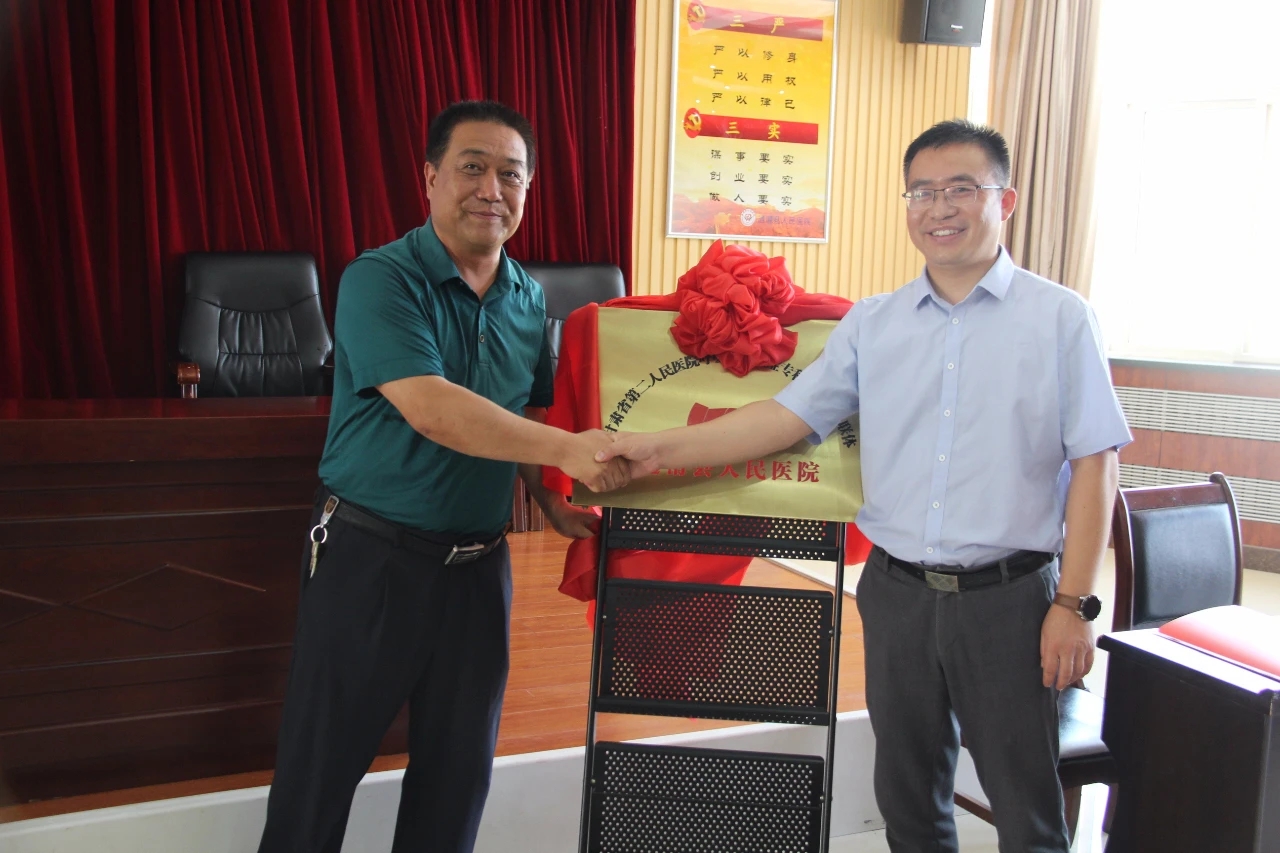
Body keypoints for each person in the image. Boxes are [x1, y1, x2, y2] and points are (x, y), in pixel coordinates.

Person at [596, 119, 1131, 853]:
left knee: (1026, 811)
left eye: (961, 189)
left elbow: (1098, 463)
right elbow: (782, 419)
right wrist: (652, 450)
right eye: (922, 192)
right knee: (909, 802)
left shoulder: (1061, 318)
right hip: (896, 593)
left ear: (1005, 200)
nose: (939, 207)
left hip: (1010, 602)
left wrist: (1073, 605)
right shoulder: (873, 323)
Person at [257, 100, 628, 853]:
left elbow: (523, 408)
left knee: (455, 784)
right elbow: (431, 408)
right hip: (371, 560)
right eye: (472, 168)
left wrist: (549, 497)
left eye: (511, 174)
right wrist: (567, 450)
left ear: (528, 189)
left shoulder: (528, 297)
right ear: (430, 177)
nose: (492, 189)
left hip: (478, 570)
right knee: (318, 778)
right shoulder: (380, 279)